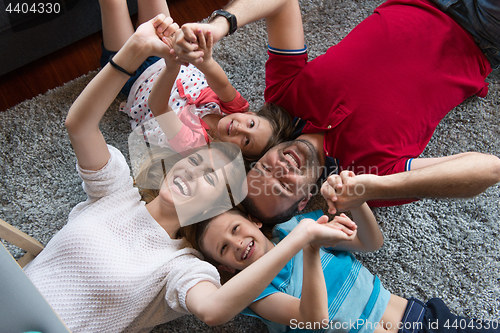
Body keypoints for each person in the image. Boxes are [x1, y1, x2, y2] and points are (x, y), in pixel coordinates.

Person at [22, 14, 361, 333]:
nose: (193, 174)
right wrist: (135, 49)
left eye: (211, 180)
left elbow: (214, 311)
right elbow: (79, 126)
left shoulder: (182, 266)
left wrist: (302, 239)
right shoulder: (117, 191)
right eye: (196, 164)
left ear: (213, 207)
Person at [172, 0, 500, 223]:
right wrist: (373, 189)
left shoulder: (283, 98)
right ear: (304, 201)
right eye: (284, 186)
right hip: (479, 34)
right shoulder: (371, 175)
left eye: (263, 170)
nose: (280, 168)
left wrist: (216, 28)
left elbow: (283, 3)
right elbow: (488, 169)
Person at [182, 181, 499, 333]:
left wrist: (357, 201)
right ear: (224, 266)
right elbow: (314, 320)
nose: (237, 243)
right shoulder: (256, 294)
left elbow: (370, 242)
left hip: (420, 320)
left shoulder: (299, 225)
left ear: (254, 221)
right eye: (224, 248)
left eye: (235, 229)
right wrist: (309, 249)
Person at [99, 0, 293, 162]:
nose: (240, 129)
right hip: (167, 52)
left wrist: (172, 65)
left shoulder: (197, 147)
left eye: (246, 142)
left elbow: (157, 106)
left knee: (113, 4)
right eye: (251, 124)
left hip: (133, 77)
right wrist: (205, 60)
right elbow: (221, 83)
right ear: (250, 114)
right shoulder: (236, 109)